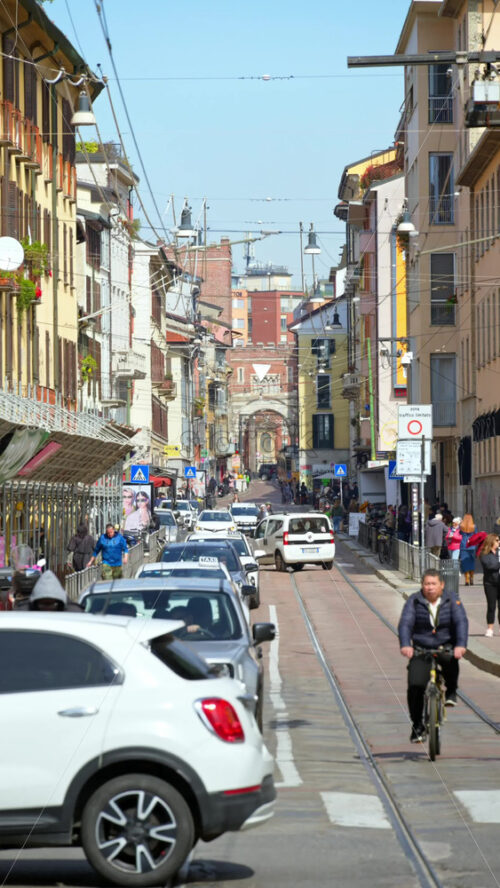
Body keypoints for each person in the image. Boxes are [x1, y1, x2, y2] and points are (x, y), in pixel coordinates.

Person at [398, 568, 468, 742]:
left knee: (451, 660)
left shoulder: (452, 600)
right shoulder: (414, 601)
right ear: (422, 585)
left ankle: (451, 691)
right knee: (415, 685)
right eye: (426, 584)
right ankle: (417, 726)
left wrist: (460, 645)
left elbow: (461, 622)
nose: (430, 588)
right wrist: (406, 644)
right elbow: (405, 623)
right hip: (422, 647)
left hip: (445, 645)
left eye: (433, 584)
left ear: (441, 585)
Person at [14, 570, 82, 612]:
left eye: (51, 604)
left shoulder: (74, 614)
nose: (47, 609)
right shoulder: (22, 615)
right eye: (43, 604)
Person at [479, 533, 500, 638]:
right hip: (490, 583)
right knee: (491, 606)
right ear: (491, 541)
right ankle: (490, 628)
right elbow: (490, 566)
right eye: (497, 540)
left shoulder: (499, 553)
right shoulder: (484, 554)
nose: (499, 542)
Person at [459, 514, 477, 585]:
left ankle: (467, 579)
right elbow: (476, 535)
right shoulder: (474, 526)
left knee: (464, 562)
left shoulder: (461, 526)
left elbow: (460, 533)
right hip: (472, 545)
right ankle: (471, 577)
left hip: (463, 545)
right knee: (471, 562)